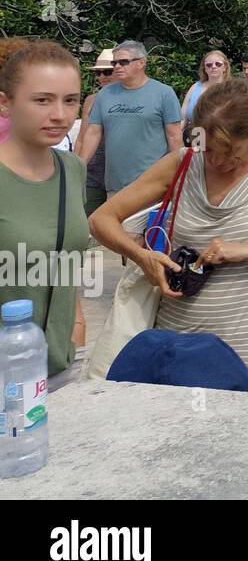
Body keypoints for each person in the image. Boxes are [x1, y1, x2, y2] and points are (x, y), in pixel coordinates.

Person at [90, 80, 248, 394]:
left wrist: (247, 250)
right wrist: (142, 256)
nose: (217, 161)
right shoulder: (183, 162)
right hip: (176, 355)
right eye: (208, 150)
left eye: (230, 152)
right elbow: (101, 220)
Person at [0, 41, 91, 390]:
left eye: (70, 100)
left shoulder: (72, 169)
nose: (60, 115)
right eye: (42, 100)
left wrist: (76, 335)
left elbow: (67, 261)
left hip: (62, 365)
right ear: (5, 103)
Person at [76, 40, 182, 198]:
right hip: (115, 185)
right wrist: (79, 167)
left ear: (141, 63)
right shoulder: (104, 95)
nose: (117, 66)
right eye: (115, 62)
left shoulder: (164, 93)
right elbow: (93, 133)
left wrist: (180, 174)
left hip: (153, 184)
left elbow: (174, 135)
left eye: (123, 62)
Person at [75, 48, 116, 215]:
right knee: (83, 217)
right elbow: (82, 136)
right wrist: (76, 167)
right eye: (98, 73)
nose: (101, 77)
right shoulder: (91, 99)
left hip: (121, 172)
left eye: (107, 72)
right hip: (93, 171)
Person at [180, 50, 231, 143]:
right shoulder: (195, 87)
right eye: (209, 64)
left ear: (225, 68)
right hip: (193, 138)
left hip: (220, 140)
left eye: (218, 64)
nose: (213, 67)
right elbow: (183, 118)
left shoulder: (231, 89)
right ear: (205, 68)